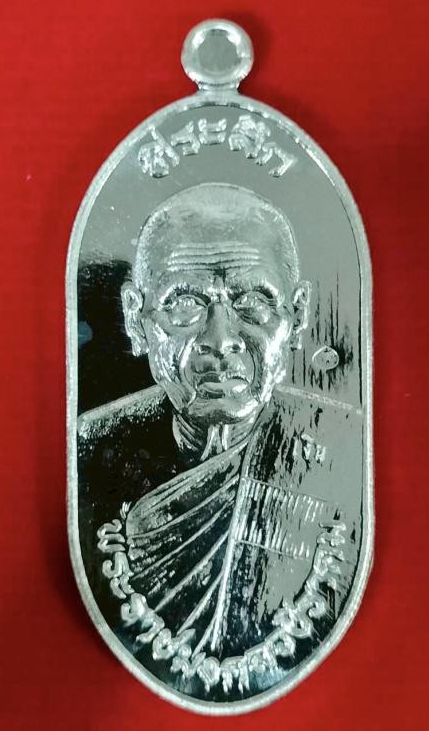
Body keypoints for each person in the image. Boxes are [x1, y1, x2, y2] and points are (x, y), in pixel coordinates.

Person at [77, 183, 361, 690]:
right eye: (185, 303)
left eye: (253, 302)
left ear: (298, 315)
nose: (221, 339)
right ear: (136, 319)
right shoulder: (92, 449)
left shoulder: (343, 446)